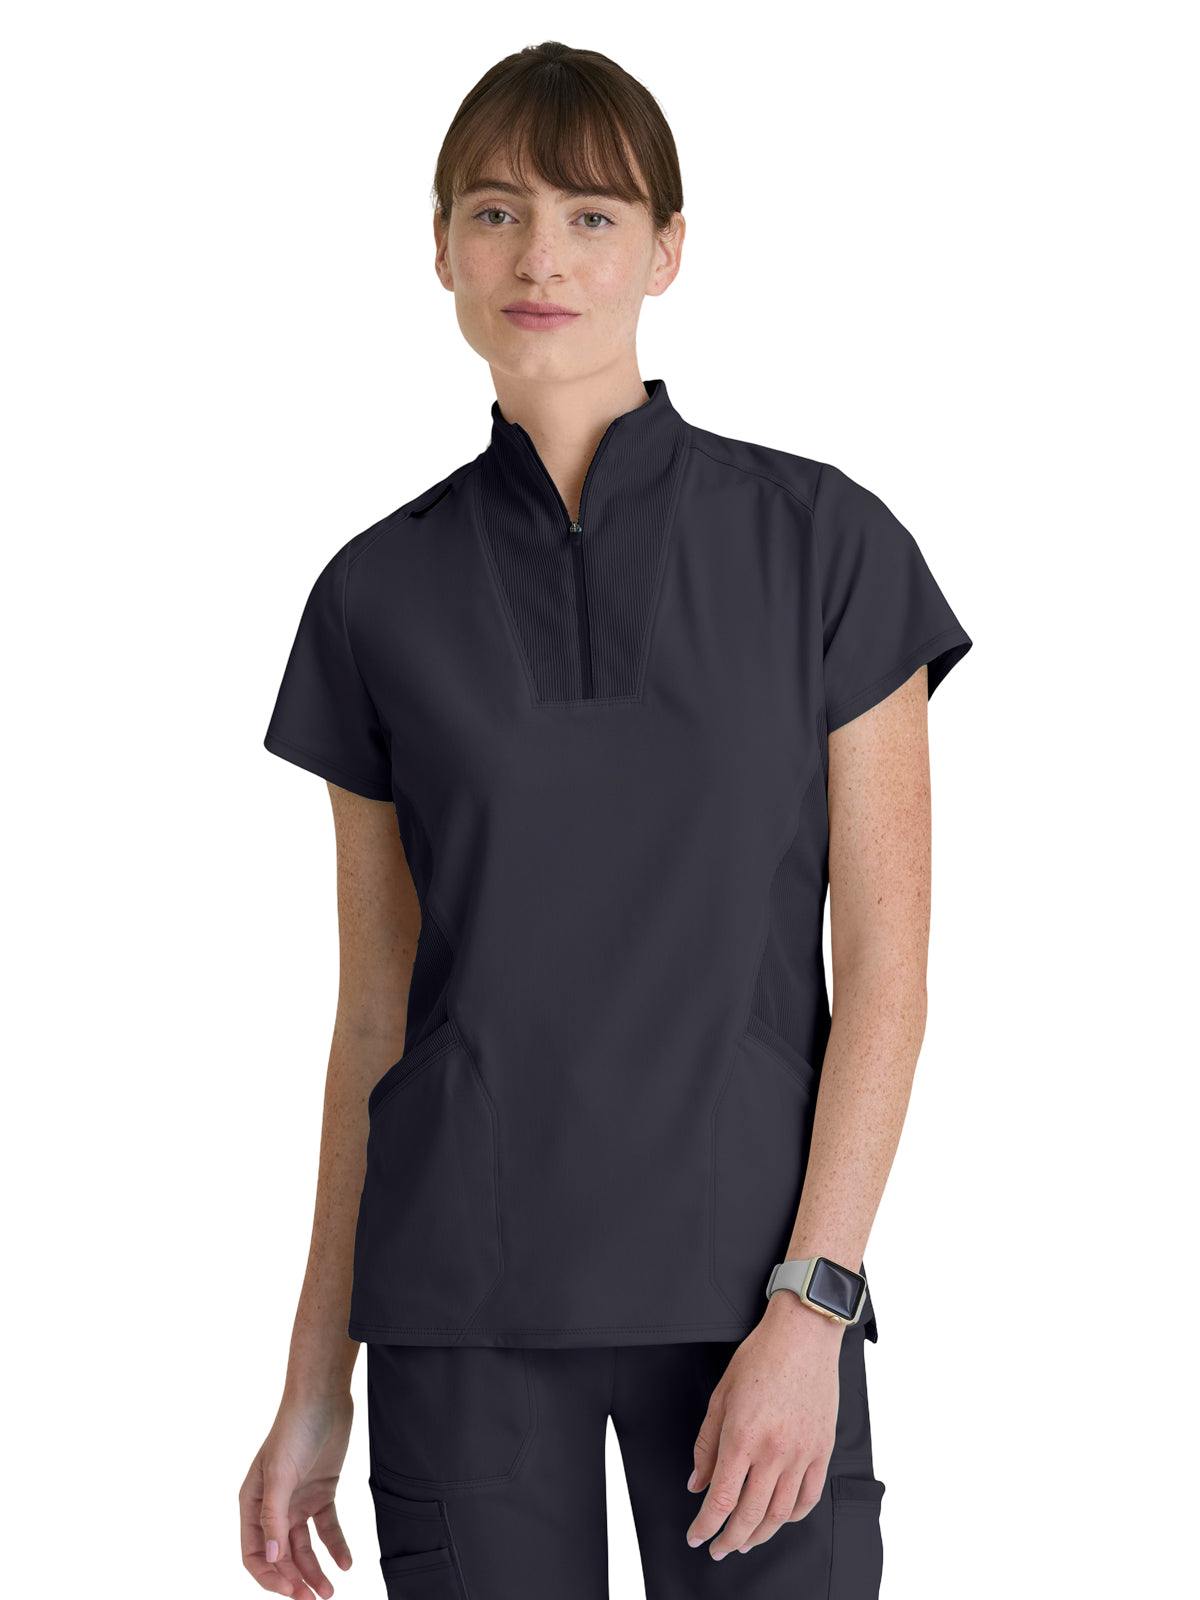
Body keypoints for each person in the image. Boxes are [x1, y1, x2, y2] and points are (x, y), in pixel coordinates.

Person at [239, 39, 972, 1600]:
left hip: (747, 1300)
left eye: (590, 215)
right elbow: (374, 1018)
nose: (541, 259)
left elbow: (888, 978)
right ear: (442, 247)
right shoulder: (375, 594)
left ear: (666, 249)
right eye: (497, 213)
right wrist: (314, 1379)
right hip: (459, 1311)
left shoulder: (827, 550)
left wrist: (815, 1307)